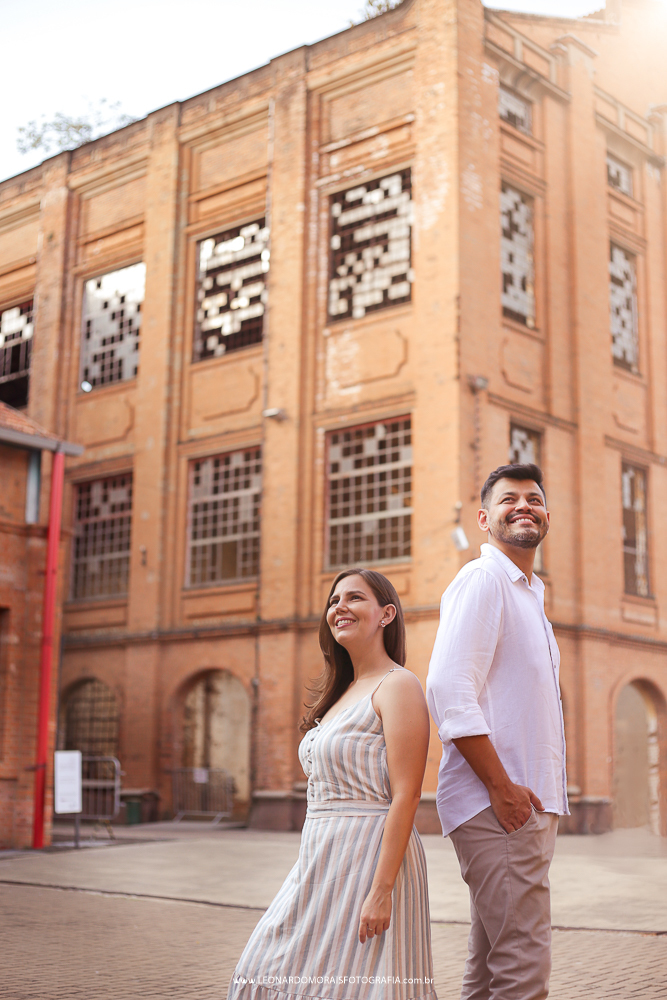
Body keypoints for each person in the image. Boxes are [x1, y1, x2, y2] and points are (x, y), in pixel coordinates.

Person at [228, 568, 436, 1000]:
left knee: (362, 986)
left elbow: (407, 795)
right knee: (267, 968)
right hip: (320, 859)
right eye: (334, 600)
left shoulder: (398, 685)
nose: (339, 607)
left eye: (355, 598)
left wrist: (382, 893)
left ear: (386, 615)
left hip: (371, 858)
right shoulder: (340, 693)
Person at [426, 463, 568, 1000]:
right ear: (485, 518)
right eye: (510, 500)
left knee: (491, 965)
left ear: (546, 516)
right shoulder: (484, 580)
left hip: (523, 805)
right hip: (502, 805)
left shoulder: (530, 595)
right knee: (522, 965)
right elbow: (448, 689)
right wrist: (502, 789)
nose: (524, 506)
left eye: (534, 498)